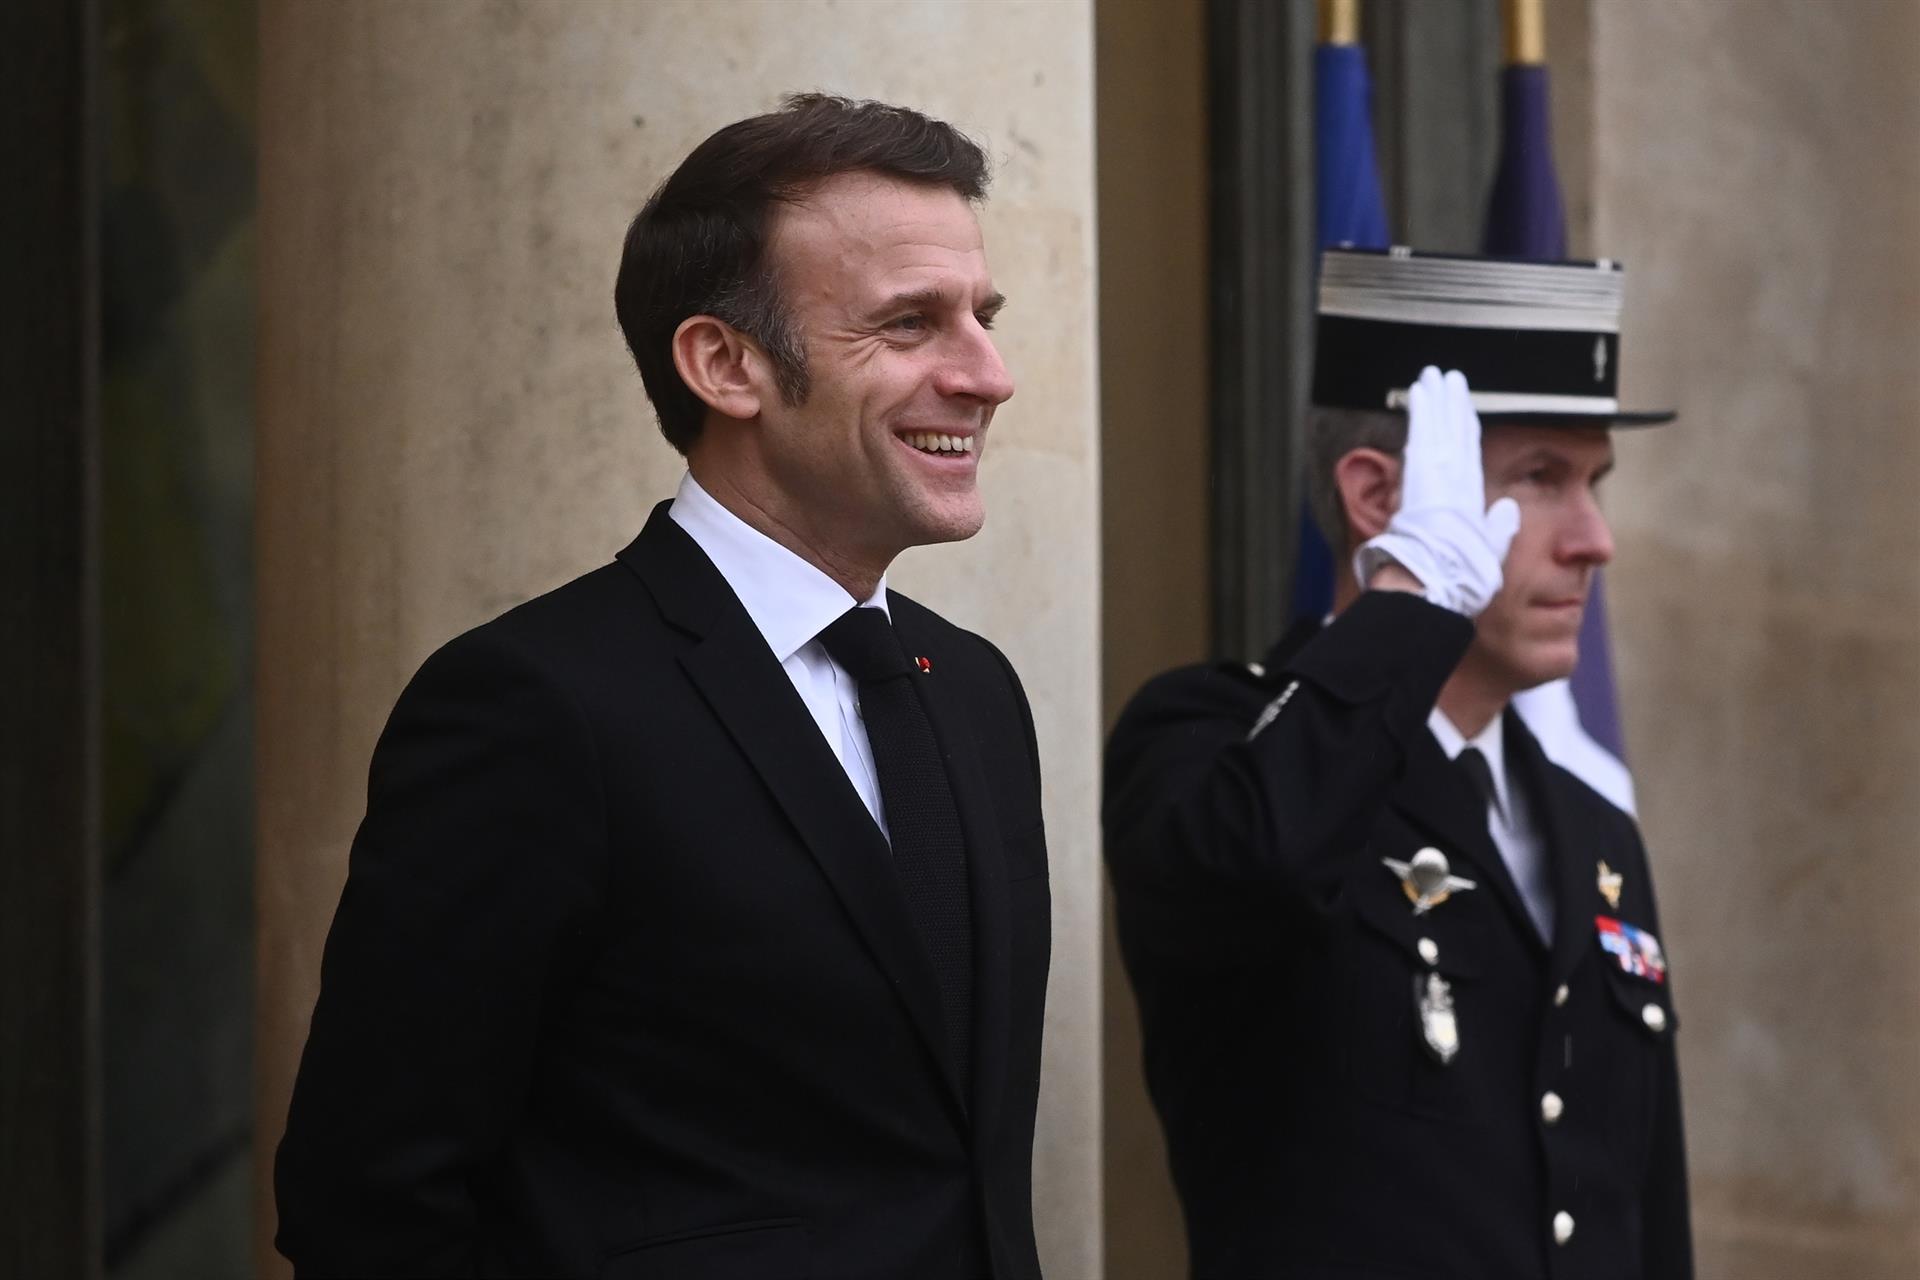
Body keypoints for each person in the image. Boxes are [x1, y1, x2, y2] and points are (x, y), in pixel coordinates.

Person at [276, 94, 1050, 1280]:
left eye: (982, 318)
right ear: (725, 363)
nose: (988, 374)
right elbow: (369, 1196)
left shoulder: (976, 695)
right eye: (910, 324)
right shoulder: (532, 706)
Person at [1106, 248, 1692, 1279]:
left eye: (1593, 482)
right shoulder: (1215, 741)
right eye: (1540, 480)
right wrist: (1412, 599)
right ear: (1381, 497)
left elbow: (1646, 1214)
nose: (1594, 538)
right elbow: (1260, 863)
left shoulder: (1593, 828)